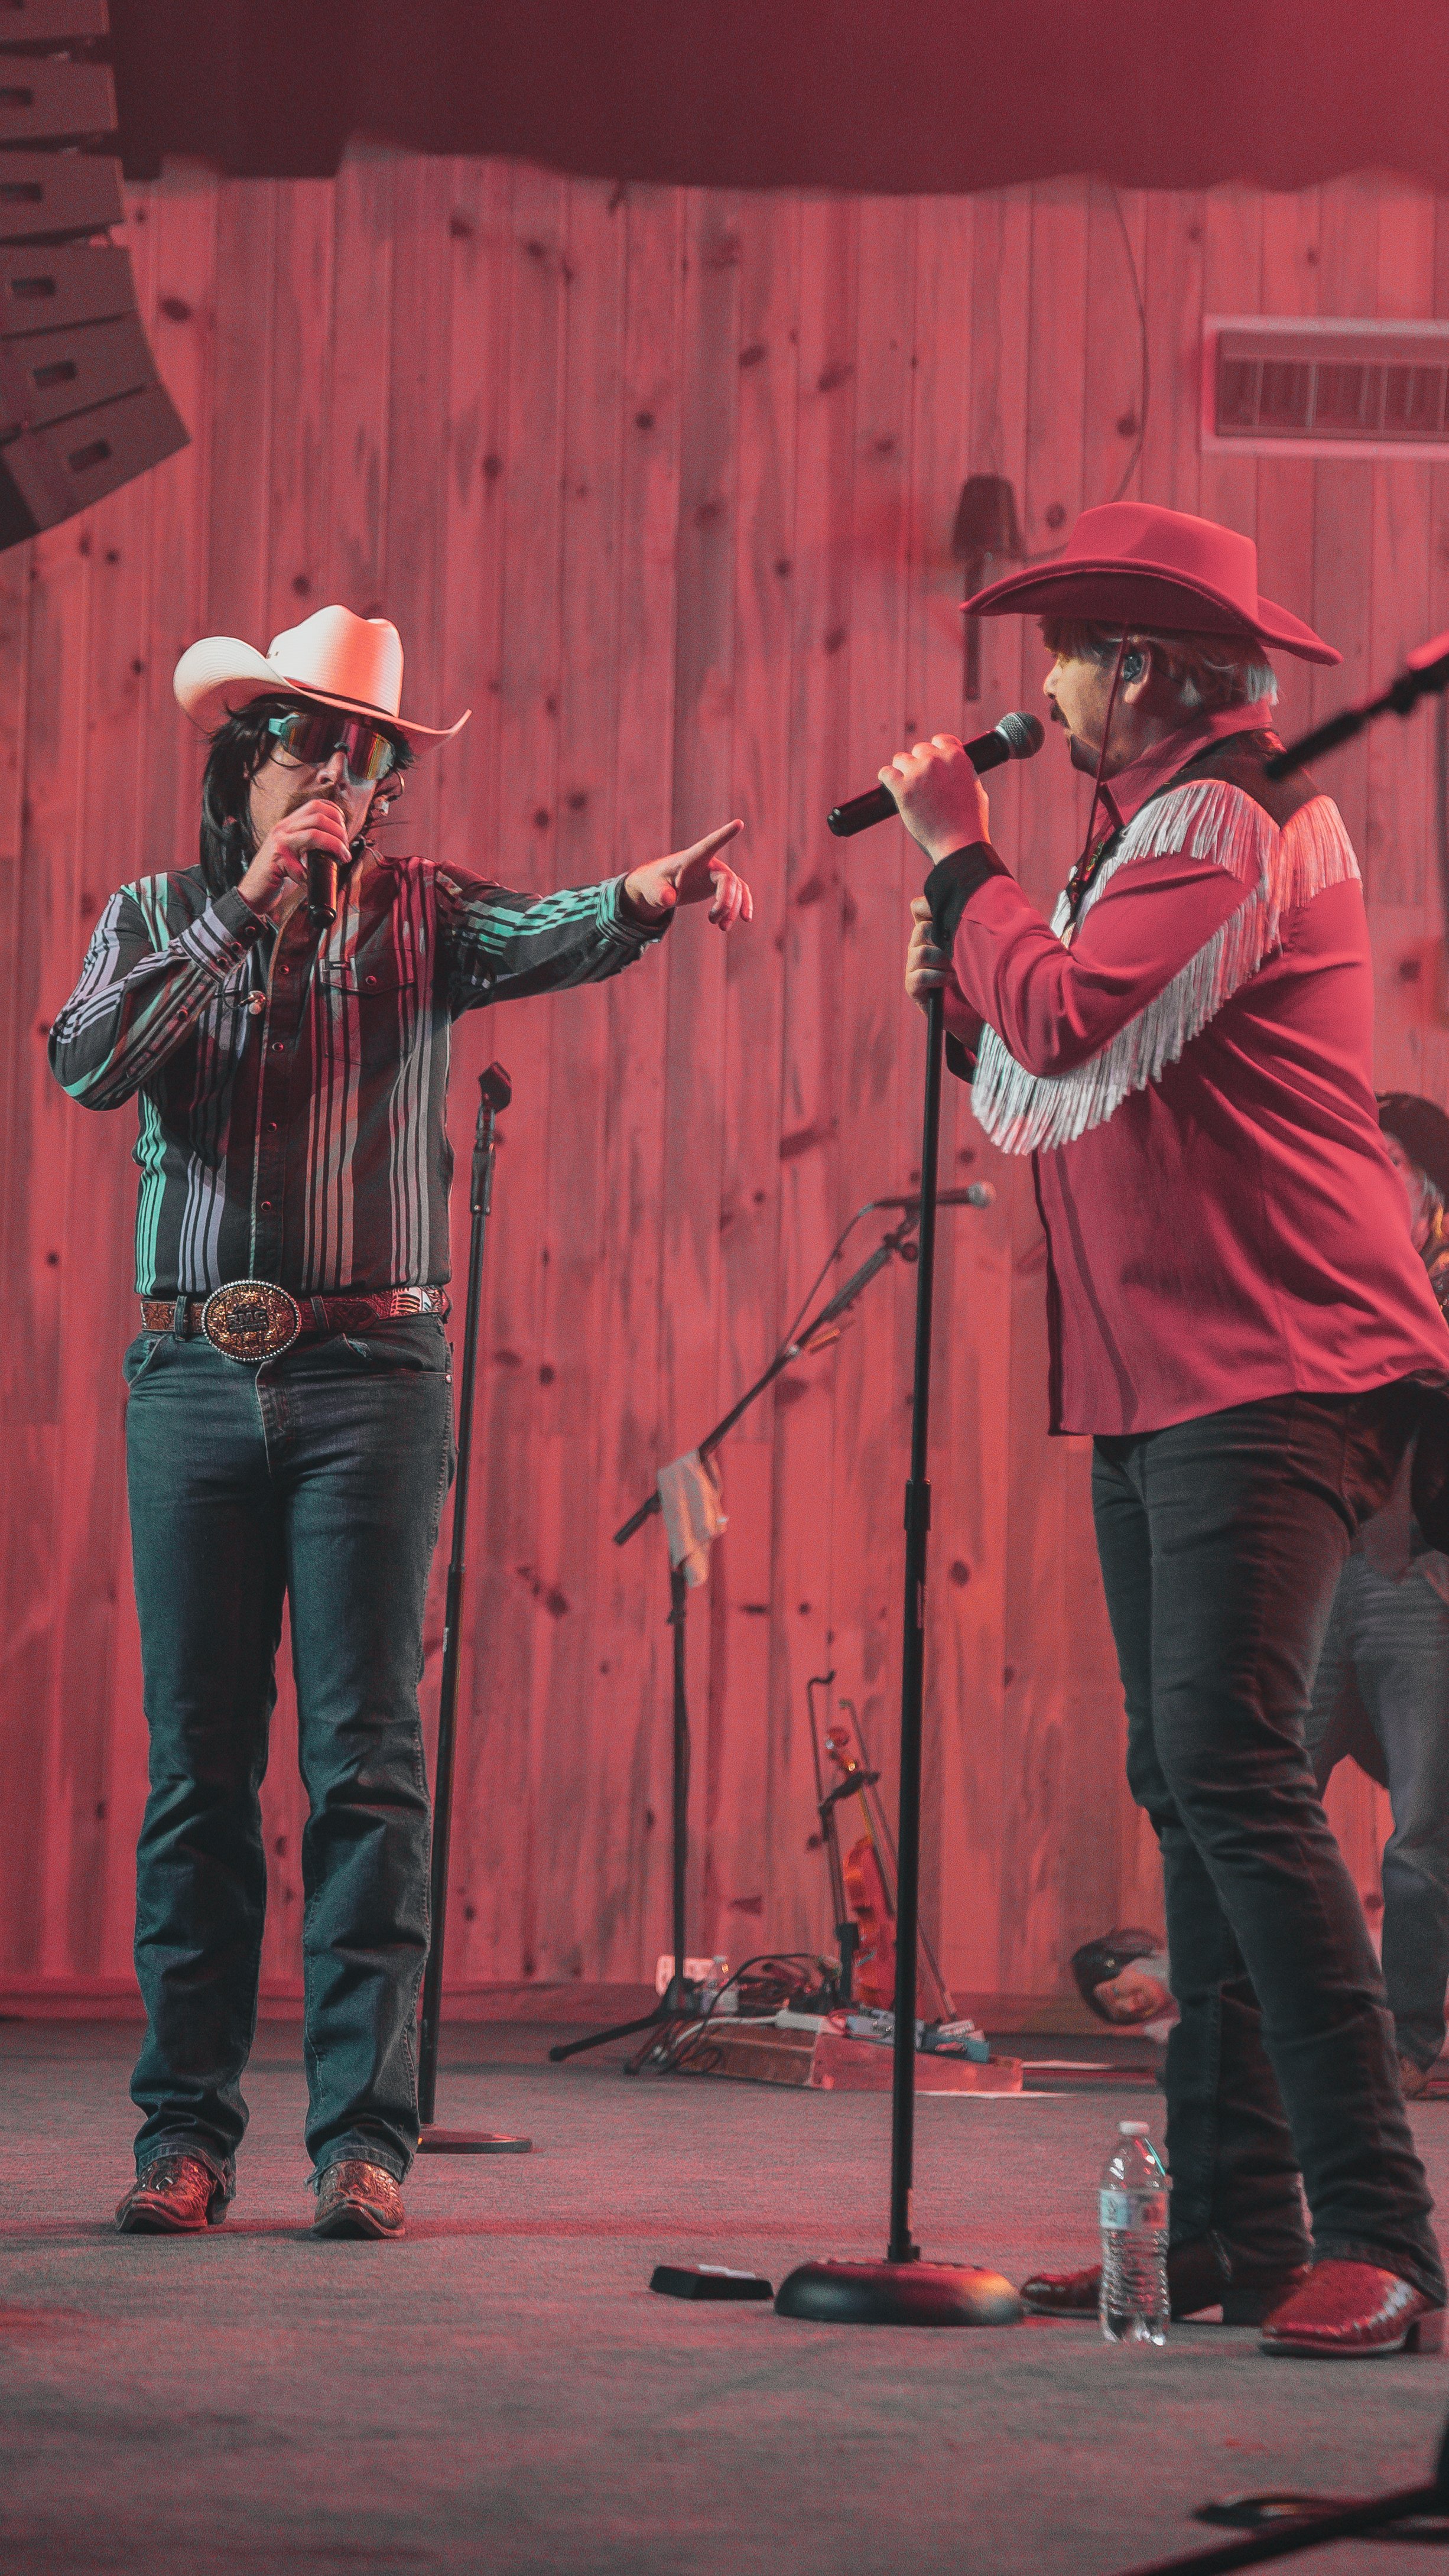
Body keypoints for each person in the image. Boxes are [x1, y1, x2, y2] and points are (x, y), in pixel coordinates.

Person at [49, 605, 751, 2241]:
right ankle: (182, 2136)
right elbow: (90, 1062)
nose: (339, 782)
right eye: (311, 748)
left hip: (370, 1379)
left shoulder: (426, 916)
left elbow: (559, 927)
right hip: (192, 1381)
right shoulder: (153, 913)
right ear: (243, 765)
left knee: (366, 1762)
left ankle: (361, 2140)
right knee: (198, 1773)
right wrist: (242, 912)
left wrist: (645, 895)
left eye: (365, 763)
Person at [895, 501, 1449, 2357]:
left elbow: (1063, 1020)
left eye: (1062, 651)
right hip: (1167, 1372)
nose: (1040, 684)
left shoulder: (1221, 816)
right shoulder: (1145, 831)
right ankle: (1226, 2227)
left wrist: (959, 867)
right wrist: (967, 974)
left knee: (1232, 1775)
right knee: (1195, 1787)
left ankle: (1381, 2232)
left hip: (1274, 1359)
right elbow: (1066, 1071)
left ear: (1135, 665)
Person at [1305, 1092, 1449, 2100]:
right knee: (1265, 1799)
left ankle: (1411, 2043)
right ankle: (1273, 2025)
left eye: (1389, 1160)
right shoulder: (1333, 1286)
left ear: (1431, 1188)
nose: (1370, 1175)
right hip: (1322, 1573)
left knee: (1423, 1831)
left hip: (1420, 1581)